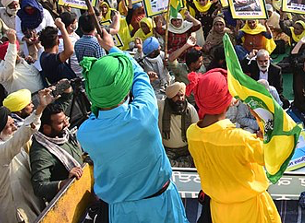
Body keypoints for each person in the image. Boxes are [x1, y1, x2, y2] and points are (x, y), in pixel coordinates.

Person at [76, 31, 187, 223]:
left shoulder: (85, 133)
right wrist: (111, 47)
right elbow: (139, 75)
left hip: (120, 214)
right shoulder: (144, 114)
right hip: (162, 206)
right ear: (125, 88)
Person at [186, 68, 281, 223]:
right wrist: (261, 117)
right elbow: (274, 156)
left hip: (219, 211)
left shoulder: (192, 134)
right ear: (228, 101)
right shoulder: (240, 140)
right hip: (252, 211)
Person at [0, 89, 54, 223]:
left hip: (32, 200)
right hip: (18, 212)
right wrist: (40, 108)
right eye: (10, 126)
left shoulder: (8, 143)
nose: (15, 128)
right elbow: (20, 136)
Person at [29, 101, 85, 203]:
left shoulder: (63, 133)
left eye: (65, 120)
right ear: (46, 128)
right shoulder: (41, 153)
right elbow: (39, 187)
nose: (66, 124)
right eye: (60, 123)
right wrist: (64, 183)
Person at [157, 82, 198, 168]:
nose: (180, 98)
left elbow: (197, 131)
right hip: (167, 151)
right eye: (177, 96)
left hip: (186, 151)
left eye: (182, 95)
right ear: (171, 96)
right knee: (161, 162)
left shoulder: (189, 109)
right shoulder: (161, 106)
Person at [39, 20, 77, 85]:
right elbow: (69, 51)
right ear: (58, 42)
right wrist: (62, 28)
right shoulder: (49, 59)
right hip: (65, 92)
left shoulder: (44, 56)